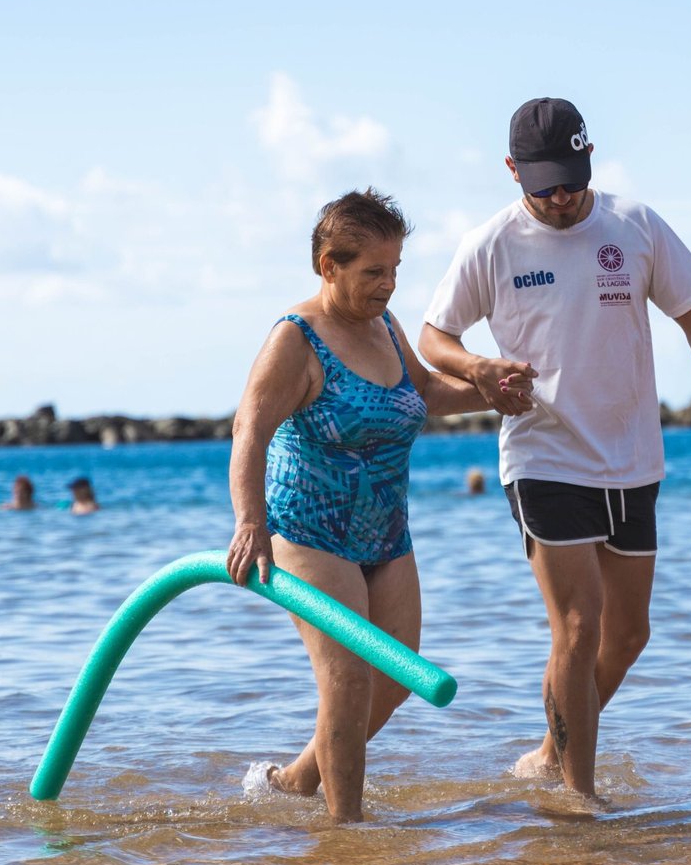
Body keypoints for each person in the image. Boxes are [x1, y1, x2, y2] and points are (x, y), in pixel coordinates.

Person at [418, 97, 691, 799]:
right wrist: (480, 369)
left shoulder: (633, 226)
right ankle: (581, 796)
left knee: (627, 634)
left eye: (571, 179)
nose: (560, 196)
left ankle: (550, 751)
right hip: (542, 453)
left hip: (632, 455)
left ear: (589, 159)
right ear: (513, 171)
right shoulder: (490, 244)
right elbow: (434, 337)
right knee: (577, 625)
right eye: (542, 184)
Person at [225, 187, 533, 824]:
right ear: (328, 266)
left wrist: (490, 391)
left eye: (395, 269)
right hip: (310, 533)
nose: (388, 284)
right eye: (373, 272)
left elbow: (422, 394)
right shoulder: (296, 339)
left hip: (386, 533)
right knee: (348, 680)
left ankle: (292, 784)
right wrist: (250, 522)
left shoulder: (387, 327)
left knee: (394, 678)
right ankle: (348, 834)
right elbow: (248, 433)